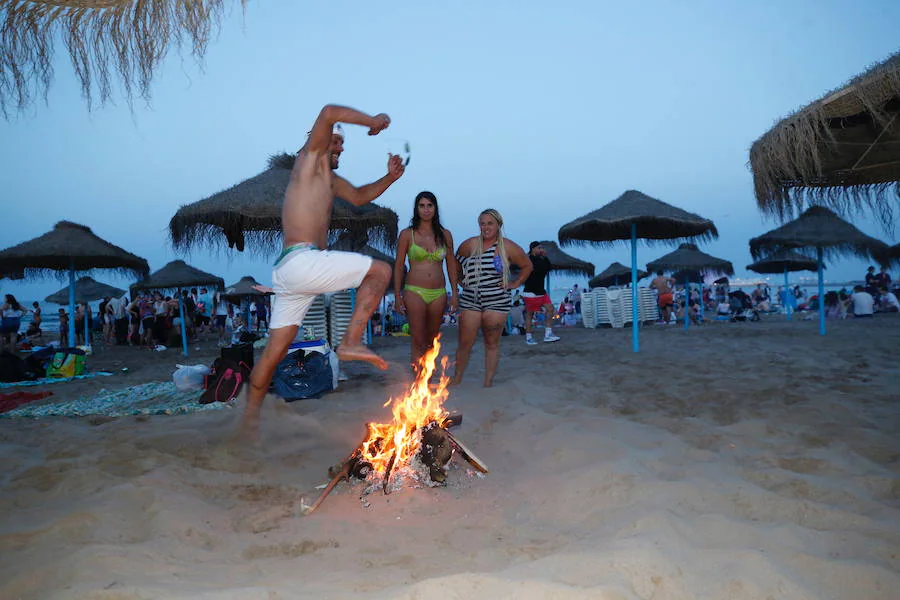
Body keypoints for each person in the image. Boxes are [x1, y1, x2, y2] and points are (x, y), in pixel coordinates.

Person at [243, 104, 404, 432]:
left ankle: (246, 422)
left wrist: (390, 177)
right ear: (317, 140)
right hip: (303, 261)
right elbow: (329, 110)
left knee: (274, 353)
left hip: (292, 272)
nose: (340, 147)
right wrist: (372, 122)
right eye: (335, 142)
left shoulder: (329, 180)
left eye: (342, 144)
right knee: (381, 272)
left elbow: (359, 197)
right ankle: (351, 342)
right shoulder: (308, 159)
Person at [451, 209, 533, 387]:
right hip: (470, 297)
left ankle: (488, 382)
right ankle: (457, 378)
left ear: (498, 225)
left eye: (490, 223)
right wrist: (459, 280)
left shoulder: (507, 247)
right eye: (482, 223)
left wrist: (515, 283)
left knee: (491, 342)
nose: (485, 227)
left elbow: (527, 265)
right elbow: (454, 262)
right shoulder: (470, 245)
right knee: (465, 342)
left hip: (497, 299)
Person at [393, 191, 459, 370]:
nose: (426, 210)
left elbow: (451, 264)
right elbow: (399, 266)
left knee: (432, 338)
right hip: (414, 290)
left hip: (439, 292)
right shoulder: (408, 234)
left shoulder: (445, 235)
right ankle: (418, 381)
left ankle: (426, 379)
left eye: (430, 205)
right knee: (417, 338)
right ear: (416, 209)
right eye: (422, 206)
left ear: (435, 208)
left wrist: (455, 293)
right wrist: (398, 296)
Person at [522, 241, 561, 346]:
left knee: (550, 309)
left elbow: (548, 267)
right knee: (530, 314)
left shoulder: (541, 259)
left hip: (541, 291)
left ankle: (548, 334)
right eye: (539, 248)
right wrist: (543, 259)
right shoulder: (529, 259)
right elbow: (539, 269)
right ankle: (529, 337)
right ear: (533, 249)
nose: (541, 250)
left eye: (541, 248)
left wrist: (545, 257)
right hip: (531, 292)